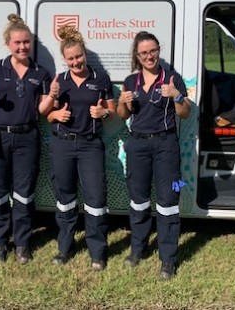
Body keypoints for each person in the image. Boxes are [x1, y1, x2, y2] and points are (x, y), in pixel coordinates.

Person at [0, 14, 57, 264]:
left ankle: (22, 243)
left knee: (24, 194)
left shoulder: (41, 73)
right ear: (8, 44)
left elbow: (41, 112)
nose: (22, 46)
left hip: (27, 138)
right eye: (17, 42)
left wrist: (52, 96)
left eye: (26, 42)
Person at [117, 31, 191, 279]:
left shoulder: (171, 79)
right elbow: (123, 115)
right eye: (144, 53)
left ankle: (167, 259)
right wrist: (123, 102)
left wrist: (177, 96)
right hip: (137, 145)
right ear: (137, 56)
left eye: (153, 51)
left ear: (159, 50)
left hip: (166, 144)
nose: (149, 56)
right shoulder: (130, 81)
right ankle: (137, 249)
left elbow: (185, 113)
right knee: (138, 200)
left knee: (169, 199)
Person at [46, 26, 114, 271]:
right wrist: (55, 112)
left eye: (79, 56)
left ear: (85, 53)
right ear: (65, 60)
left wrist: (103, 112)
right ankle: (65, 247)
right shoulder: (59, 82)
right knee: (65, 199)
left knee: (96, 200)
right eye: (70, 58)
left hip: (90, 146)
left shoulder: (100, 78)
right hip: (62, 144)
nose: (75, 62)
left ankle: (97, 252)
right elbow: (47, 114)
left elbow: (113, 109)